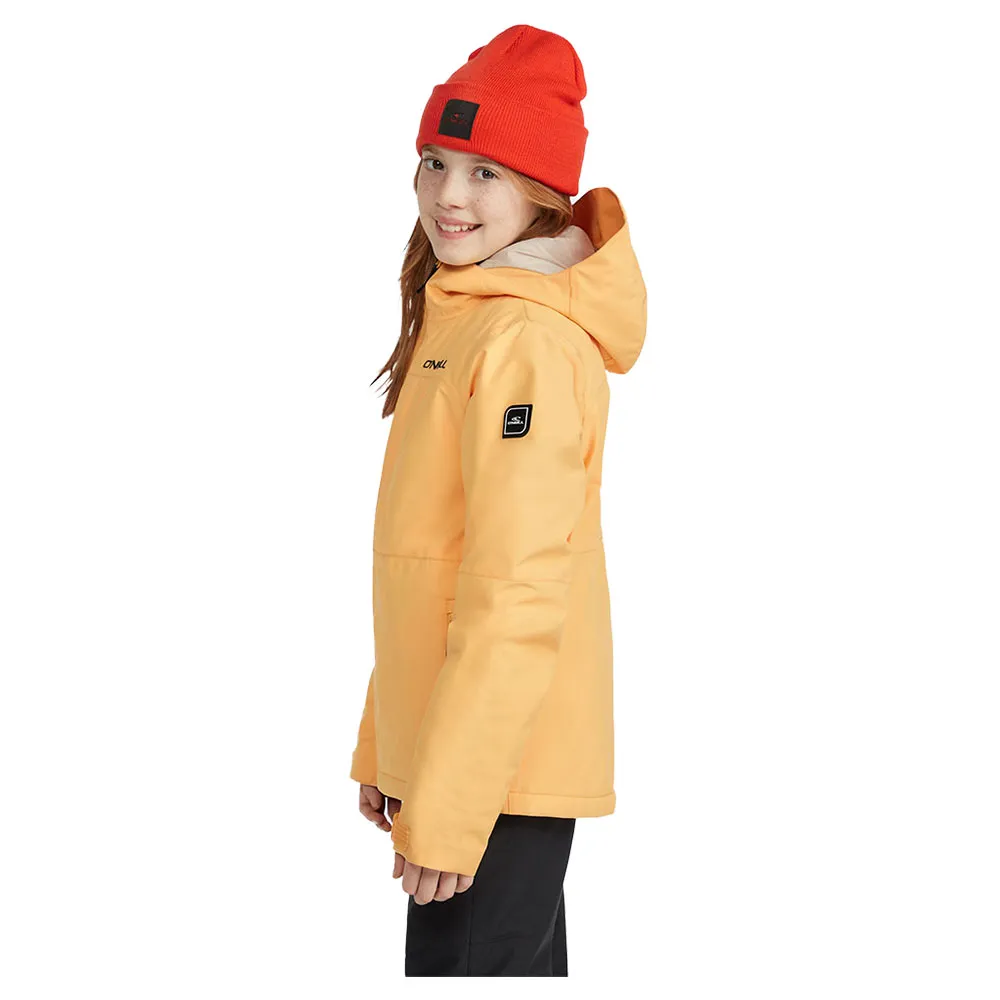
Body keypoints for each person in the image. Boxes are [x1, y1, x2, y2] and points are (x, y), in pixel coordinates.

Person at [348, 23, 647, 976]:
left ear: (542, 192)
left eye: (485, 172)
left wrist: (451, 795)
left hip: (497, 770)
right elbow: (429, 561)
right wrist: (389, 740)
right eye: (436, 162)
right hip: (466, 754)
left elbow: (516, 587)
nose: (449, 194)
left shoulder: (526, 342)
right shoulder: (468, 315)